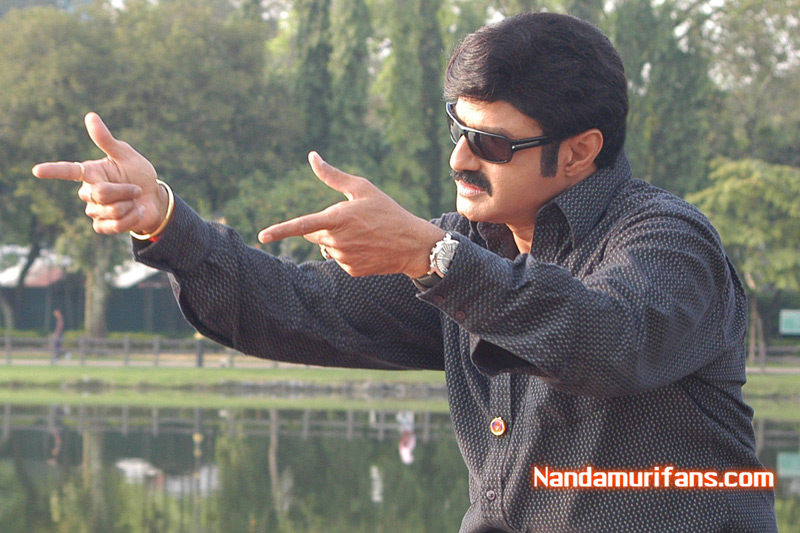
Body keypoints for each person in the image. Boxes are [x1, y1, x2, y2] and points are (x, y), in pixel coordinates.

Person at [33, 12, 776, 532]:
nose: (459, 159)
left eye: (491, 143)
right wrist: (165, 221)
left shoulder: (668, 243)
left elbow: (608, 340)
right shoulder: (469, 250)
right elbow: (295, 305)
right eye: (458, 129)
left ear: (580, 151)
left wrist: (432, 258)